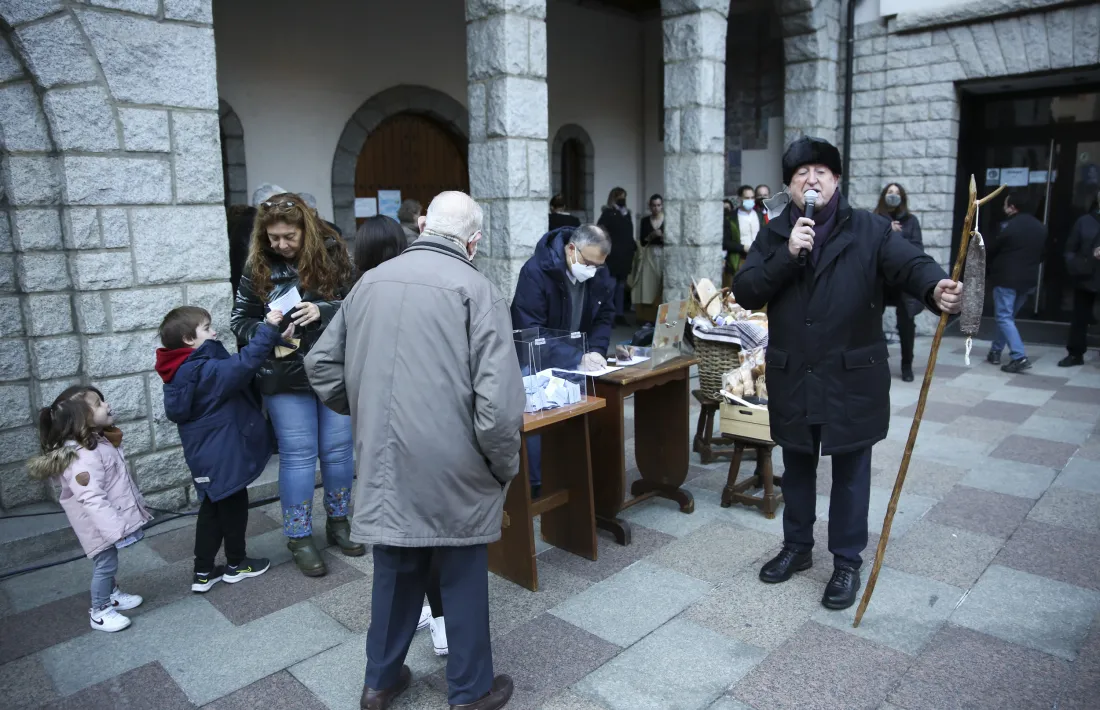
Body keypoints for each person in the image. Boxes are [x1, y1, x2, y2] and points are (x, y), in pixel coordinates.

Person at [305, 191, 523, 710]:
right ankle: (470, 691)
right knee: (462, 571)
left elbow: (320, 366)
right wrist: (502, 464)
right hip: (456, 458)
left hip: (383, 455)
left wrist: (367, 411)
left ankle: (379, 682)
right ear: (472, 241)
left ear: (425, 227)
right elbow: (499, 405)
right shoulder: (477, 287)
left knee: (396, 567)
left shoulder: (369, 284)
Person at [733, 136, 962, 611]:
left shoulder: (871, 230)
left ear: (836, 180)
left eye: (820, 172)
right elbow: (747, 291)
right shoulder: (775, 232)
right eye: (801, 174)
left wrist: (934, 287)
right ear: (790, 186)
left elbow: (911, 266)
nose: (810, 180)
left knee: (851, 473)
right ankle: (796, 548)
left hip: (852, 376)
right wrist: (786, 256)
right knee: (796, 467)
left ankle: (846, 562)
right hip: (793, 373)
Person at [231, 192, 362, 577]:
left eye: (289, 236)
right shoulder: (257, 264)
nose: (281, 245)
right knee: (299, 455)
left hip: (332, 367)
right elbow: (239, 321)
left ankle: (339, 523)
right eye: (273, 238)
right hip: (283, 374)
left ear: (306, 229)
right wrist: (266, 326)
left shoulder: (335, 253)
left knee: (338, 452)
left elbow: (360, 304)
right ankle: (300, 538)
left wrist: (322, 309)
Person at [349, 215, 449, 656]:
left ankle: (385, 668)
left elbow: (325, 367)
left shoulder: (360, 293)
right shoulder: (427, 287)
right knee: (431, 536)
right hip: (425, 429)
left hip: (375, 433)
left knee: (393, 543)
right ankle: (442, 621)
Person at [156, 306, 286, 593]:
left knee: (212, 509)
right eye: (206, 328)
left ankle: (203, 572)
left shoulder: (181, 370)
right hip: (223, 454)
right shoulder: (201, 370)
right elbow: (241, 365)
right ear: (190, 339)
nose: (214, 332)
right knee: (232, 508)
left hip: (207, 456)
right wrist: (268, 328)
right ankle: (236, 564)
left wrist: (276, 339)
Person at [28, 386, 152, 633]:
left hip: (105, 520)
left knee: (109, 561)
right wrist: (115, 528)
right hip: (96, 524)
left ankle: (113, 594)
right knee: (105, 563)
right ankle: (100, 610)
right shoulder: (83, 456)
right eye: (98, 403)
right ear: (81, 418)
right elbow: (92, 498)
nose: (106, 405)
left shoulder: (98, 442)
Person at [511, 223, 616, 498]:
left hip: (580, 358)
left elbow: (605, 315)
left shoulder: (598, 272)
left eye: (598, 266)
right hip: (537, 359)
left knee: (592, 408)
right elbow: (530, 330)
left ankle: (576, 477)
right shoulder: (536, 272)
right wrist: (576, 355)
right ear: (572, 249)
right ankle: (535, 486)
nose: (592, 270)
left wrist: (595, 350)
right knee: (537, 418)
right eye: (588, 263)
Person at [985, 189, 1046, 373]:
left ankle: (1019, 356)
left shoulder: (1007, 226)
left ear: (1012, 207)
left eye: (1005, 204)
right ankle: (995, 351)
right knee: (1007, 318)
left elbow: (992, 249)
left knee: (1004, 317)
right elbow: (1043, 254)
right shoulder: (1040, 227)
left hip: (1006, 279)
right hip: (1028, 281)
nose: (1004, 207)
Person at [874, 183, 925, 382]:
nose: (893, 196)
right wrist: (887, 229)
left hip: (902, 281)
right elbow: (867, 246)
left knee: (906, 324)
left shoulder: (911, 221)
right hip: (880, 280)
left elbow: (917, 248)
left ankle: (907, 365)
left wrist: (898, 234)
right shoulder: (875, 219)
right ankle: (875, 362)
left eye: (896, 193)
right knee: (870, 322)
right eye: (889, 192)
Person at [1060, 194, 1100, 367]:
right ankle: (1075, 354)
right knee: (1079, 318)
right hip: (1086, 277)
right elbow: (1070, 250)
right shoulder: (1084, 221)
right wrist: (1081, 263)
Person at [597, 187, 636, 324]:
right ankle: (608, 315)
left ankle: (619, 314)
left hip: (624, 256)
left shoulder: (627, 214)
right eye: (619, 197)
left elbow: (629, 233)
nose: (622, 200)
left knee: (621, 287)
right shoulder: (608, 213)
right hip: (612, 256)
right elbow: (600, 231)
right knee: (610, 286)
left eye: (624, 197)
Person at [632, 194, 664, 323]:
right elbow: (643, 240)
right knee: (648, 285)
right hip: (649, 253)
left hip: (663, 254)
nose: (656, 208)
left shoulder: (667, 219)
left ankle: (661, 315)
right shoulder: (645, 220)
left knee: (660, 284)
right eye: (653, 205)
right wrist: (652, 235)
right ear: (650, 206)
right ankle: (648, 317)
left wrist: (662, 236)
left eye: (658, 205)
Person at [724, 186, 762, 288]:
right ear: (739, 199)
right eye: (747, 198)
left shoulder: (759, 216)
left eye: (752, 197)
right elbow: (725, 242)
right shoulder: (730, 218)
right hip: (739, 260)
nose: (750, 200)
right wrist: (743, 247)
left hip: (758, 259)